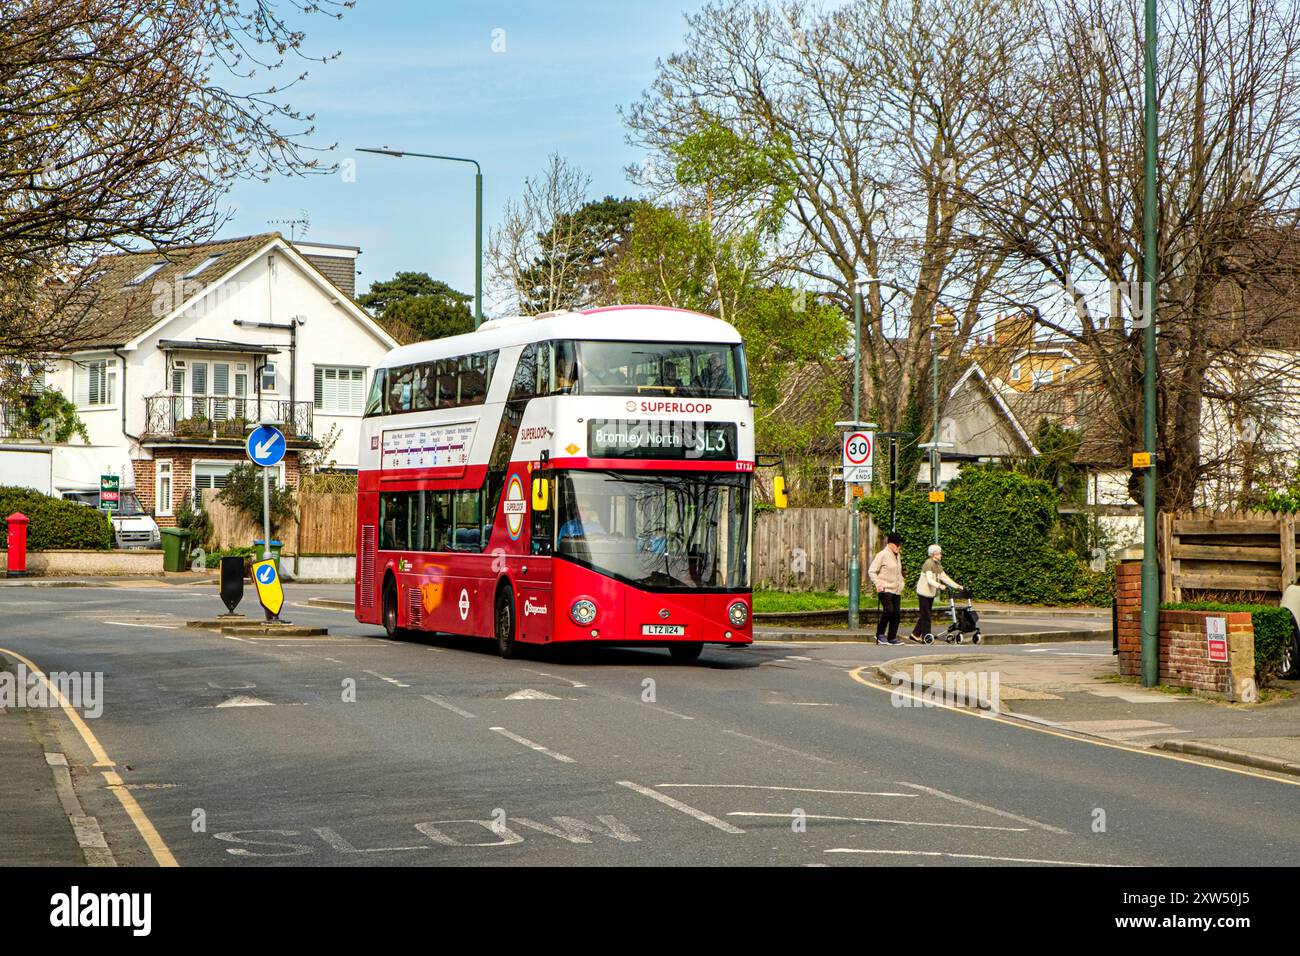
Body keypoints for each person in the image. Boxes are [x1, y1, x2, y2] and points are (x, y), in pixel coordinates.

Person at [911, 543, 962, 643]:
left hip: (930, 593)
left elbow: (944, 577)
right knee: (926, 615)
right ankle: (926, 637)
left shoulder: (937, 564)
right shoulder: (928, 563)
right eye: (939, 553)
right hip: (923, 593)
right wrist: (939, 586)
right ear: (934, 554)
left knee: (925, 614)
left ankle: (915, 634)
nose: (941, 555)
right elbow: (929, 580)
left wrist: (957, 586)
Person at [868, 532, 905, 645]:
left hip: (896, 590)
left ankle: (892, 637)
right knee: (889, 610)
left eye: (899, 545)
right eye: (897, 545)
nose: (899, 547)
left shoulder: (897, 555)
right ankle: (879, 634)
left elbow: (898, 572)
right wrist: (878, 583)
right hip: (885, 589)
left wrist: (902, 582)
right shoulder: (882, 555)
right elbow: (872, 571)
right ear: (890, 544)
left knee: (896, 614)